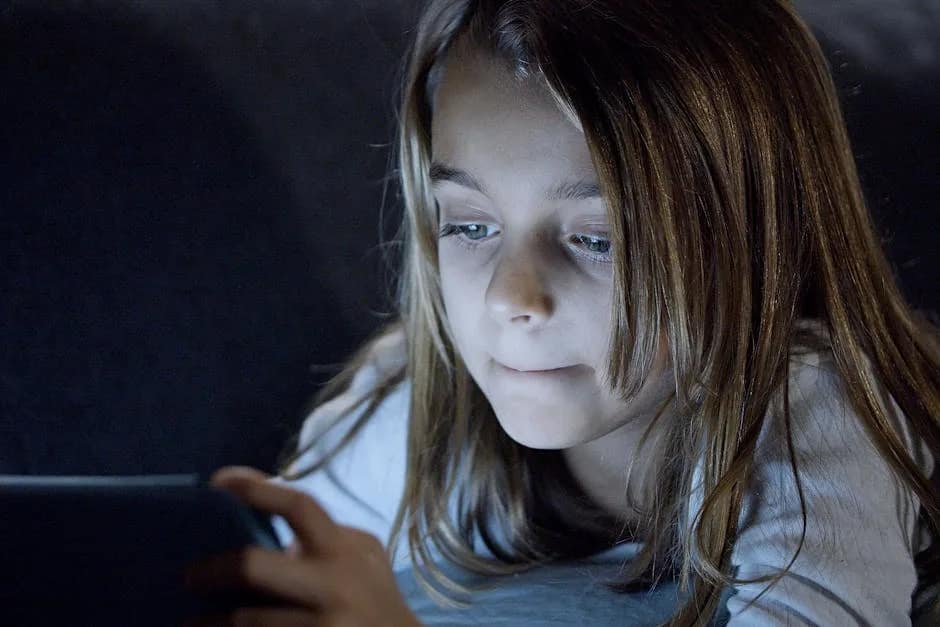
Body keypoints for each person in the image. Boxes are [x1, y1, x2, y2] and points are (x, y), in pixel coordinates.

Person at [182, 0, 940, 625]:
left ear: (752, 243)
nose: (512, 297)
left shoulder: (817, 406)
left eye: (596, 238)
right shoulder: (414, 407)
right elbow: (275, 573)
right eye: (472, 226)